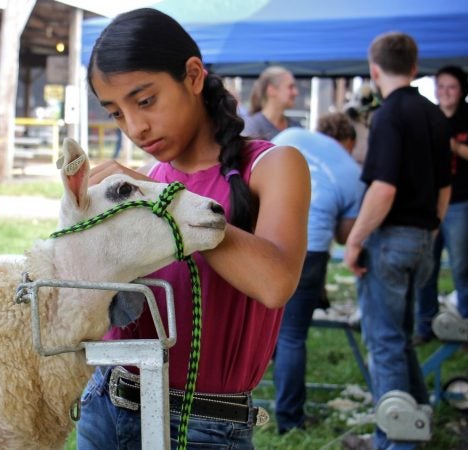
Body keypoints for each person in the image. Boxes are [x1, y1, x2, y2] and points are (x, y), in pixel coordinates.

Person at [76, 8, 310, 449]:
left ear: (193, 75)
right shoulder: (151, 178)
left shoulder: (272, 165)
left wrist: (161, 201)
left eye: (145, 101)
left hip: (203, 424)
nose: (135, 127)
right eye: (116, 114)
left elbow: (276, 282)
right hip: (108, 403)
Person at [343, 32, 451, 450]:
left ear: (374, 70)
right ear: (414, 67)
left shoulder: (388, 116)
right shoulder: (435, 115)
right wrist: (430, 229)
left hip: (390, 240)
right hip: (424, 237)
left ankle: (394, 441)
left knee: (384, 343)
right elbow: (445, 187)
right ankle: (418, 420)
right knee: (401, 338)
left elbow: (382, 189)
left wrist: (354, 240)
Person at [269, 112, 364, 434]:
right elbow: (345, 235)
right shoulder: (353, 171)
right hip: (310, 250)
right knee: (293, 335)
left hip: (265, 239)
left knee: (264, 323)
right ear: (348, 141)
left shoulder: (290, 138)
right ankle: (290, 421)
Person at [414, 65, 468, 351]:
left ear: (461, 90)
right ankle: (424, 326)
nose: (445, 93)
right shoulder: (429, 117)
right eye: (440, 87)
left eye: (451, 87)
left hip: (461, 202)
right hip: (431, 203)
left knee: (462, 268)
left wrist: (457, 148)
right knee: (426, 266)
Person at [241, 66, 301, 140]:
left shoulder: (296, 127)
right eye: (290, 87)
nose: (296, 92)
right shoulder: (252, 127)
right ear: (271, 90)